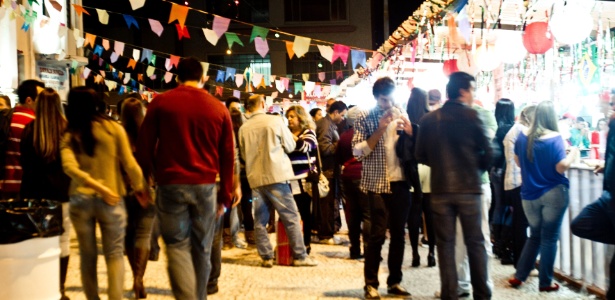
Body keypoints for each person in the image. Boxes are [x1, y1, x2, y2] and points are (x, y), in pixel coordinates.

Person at [136, 57, 236, 300]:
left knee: (178, 246)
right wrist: (226, 195)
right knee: (202, 248)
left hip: (171, 184)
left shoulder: (161, 103)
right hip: (206, 186)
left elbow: (144, 145)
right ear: (202, 77)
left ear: (177, 76)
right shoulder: (218, 107)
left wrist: (144, 182)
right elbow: (228, 155)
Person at [61, 87, 149, 300]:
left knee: (87, 256)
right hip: (112, 198)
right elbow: (129, 164)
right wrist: (141, 189)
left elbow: (69, 167)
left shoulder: (70, 133)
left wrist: (91, 184)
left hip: (80, 200)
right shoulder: (113, 129)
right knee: (114, 255)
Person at [415, 72, 492, 300]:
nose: (473, 94)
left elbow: (420, 155)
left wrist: (439, 165)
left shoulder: (428, 120)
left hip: (440, 190)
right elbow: (489, 153)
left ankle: (450, 294)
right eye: (472, 89)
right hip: (469, 189)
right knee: (475, 243)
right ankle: (482, 295)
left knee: (446, 246)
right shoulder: (473, 117)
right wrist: (473, 168)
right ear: (463, 91)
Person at [238, 94, 317, 268]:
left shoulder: (244, 128)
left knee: (260, 220)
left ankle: (266, 256)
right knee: (291, 216)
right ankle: (300, 256)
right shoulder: (275, 121)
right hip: (276, 176)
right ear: (263, 104)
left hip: (256, 179)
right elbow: (290, 146)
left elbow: (243, 155)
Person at [509, 101, 579, 292]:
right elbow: (561, 167)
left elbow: (517, 162)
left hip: (528, 195)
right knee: (549, 238)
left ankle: (519, 275)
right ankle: (545, 282)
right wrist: (573, 153)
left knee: (535, 236)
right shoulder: (555, 137)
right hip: (553, 193)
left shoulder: (523, 137)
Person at [353, 77, 413, 299]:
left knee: (399, 235)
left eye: (391, 99)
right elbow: (357, 152)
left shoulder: (402, 114)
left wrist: (410, 133)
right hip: (377, 183)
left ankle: (394, 281)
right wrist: (379, 130)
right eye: (384, 100)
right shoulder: (365, 117)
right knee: (376, 235)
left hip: (401, 182)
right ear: (377, 98)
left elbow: (412, 149)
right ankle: (371, 284)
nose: (388, 104)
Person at [20, 88, 71, 300]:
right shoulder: (67, 130)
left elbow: (25, 162)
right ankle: (59, 288)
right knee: (63, 241)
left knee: (35, 241)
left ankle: (38, 285)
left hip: (34, 195)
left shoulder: (30, 130)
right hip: (62, 195)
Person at [570, 102, 615, 300]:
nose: (611, 108)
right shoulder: (612, 125)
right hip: (609, 196)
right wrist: (608, 166)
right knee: (580, 223)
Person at [120, 97, 156, 299]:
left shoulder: (118, 134)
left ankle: (135, 275)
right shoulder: (149, 134)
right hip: (147, 189)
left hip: (123, 191)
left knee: (127, 235)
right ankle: (139, 279)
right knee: (143, 235)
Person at [402, 87, 436, 268]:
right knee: (429, 212)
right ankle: (431, 253)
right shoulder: (431, 119)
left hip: (412, 169)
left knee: (414, 213)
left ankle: (415, 254)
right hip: (429, 168)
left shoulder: (405, 119)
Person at [503, 105, 536, 267]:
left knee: (519, 223)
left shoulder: (515, 129)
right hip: (520, 180)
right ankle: (523, 263)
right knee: (522, 224)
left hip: (512, 180)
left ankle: (520, 262)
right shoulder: (523, 131)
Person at [0, 79, 44, 199]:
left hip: (4, 184)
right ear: (29, 100)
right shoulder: (35, 123)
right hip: (26, 187)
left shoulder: (6, 117)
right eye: (41, 99)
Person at [337, 106, 371, 260]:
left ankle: (355, 249)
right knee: (368, 214)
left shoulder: (343, 136)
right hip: (365, 175)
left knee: (352, 214)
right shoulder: (367, 135)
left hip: (347, 178)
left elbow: (339, 158)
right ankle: (370, 249)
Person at [286, 105, 318, 254]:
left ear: (301, 117)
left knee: (305, 212)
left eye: (292, 116)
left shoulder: (308, 132)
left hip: (304, 180)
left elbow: (305, 147)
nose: (289, 119)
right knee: (291, 213)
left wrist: (290, 135)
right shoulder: (287, 133)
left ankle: (306, 243)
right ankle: (292, 242)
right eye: (288, 117)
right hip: (288, 179)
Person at [315, 100, 348, 244]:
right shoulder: (326, 125)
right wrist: (340, 144)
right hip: (326, 171)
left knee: (329, 203)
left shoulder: (329, 124)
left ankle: (327, 232)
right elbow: (325, 148)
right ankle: (325, 234)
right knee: (326, 204)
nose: (343, 118)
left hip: (331, 170)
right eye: (342, 115)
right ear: (335, 113)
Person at [490, 99, 516, 265]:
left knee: (499, 206)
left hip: (494, 171)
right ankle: (504, 244)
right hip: (507, 171)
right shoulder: (511, 129)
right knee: (509, 208)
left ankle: (497, 242)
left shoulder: (496, 129)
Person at [222, 97, 248, 250]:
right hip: (230, 171)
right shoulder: (227, 126)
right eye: (234, 108)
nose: (237, 111)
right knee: (230, 206)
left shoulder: (243, 127)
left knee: (234, 207)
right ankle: (228, 238)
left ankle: (231, 238)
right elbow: (234, 154)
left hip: (239, 170)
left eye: (238, 108)